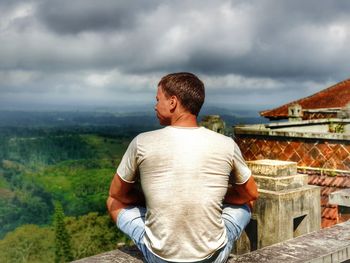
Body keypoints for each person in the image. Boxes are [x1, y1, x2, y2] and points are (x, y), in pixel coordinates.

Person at [106, 72, 258, 263]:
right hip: (213, 258)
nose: (155, 105)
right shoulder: (227, 144)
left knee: (112, 203)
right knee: (246, 204)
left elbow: (116, 194)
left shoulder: (142, 142)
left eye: (158, 99)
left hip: (160, 258)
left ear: (172, 102)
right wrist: (222, 198)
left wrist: (145, 199)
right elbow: (251, 194)